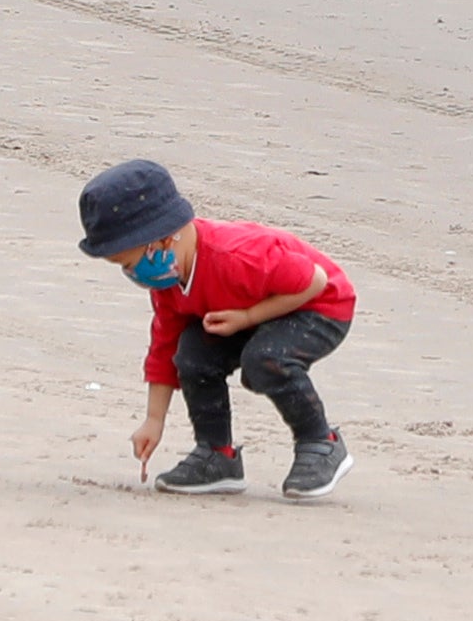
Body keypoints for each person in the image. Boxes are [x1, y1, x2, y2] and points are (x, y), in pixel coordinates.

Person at [78, 158, 357, 498]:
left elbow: (314, 281)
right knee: (192, 356)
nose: (131, 274)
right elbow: (164, 346)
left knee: (265, 359)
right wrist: (154, 420)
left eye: (127, 263)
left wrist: (249, 317)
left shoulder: (237, 255)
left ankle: (321, 442)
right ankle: (217, 455)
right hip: (240, 311)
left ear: (162, 241)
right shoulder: (167, 282)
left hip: (316, 305)